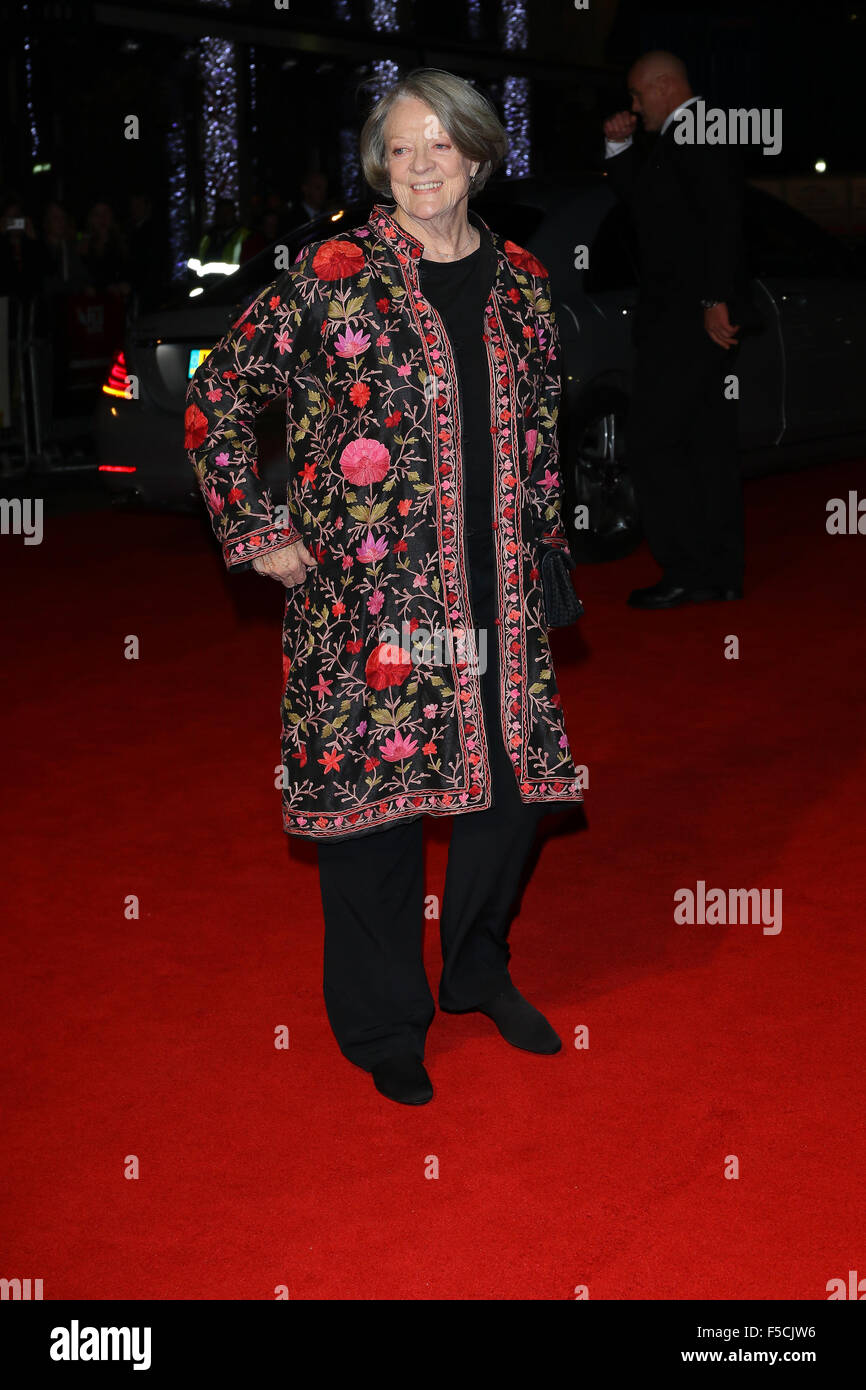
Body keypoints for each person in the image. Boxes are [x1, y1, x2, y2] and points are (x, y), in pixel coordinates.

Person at [185, 68, 584, 1106]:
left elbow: (542, 438)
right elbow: (217, 389)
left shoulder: (524, 284)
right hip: (370, 603)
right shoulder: (332, 272)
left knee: (506, 796)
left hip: (497, 589)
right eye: (399, 149)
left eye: (438, 147)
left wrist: (548, 553)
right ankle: (381, 1023)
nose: (417, 168)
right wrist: (255, 524)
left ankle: (476, 971)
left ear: (477, 158)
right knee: (375, 814)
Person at [603, 50, 757, 609]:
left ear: (664, 86)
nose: (635, 107)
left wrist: (716, 297)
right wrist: (620, 151)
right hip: (687, 317)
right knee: (705, 444)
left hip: (688, 320)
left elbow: (723, 220)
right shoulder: (683, 135)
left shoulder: (699, 129)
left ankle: (690, 571)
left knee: (657, 444)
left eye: (639, 96)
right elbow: (652, 211)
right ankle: (720, 572)